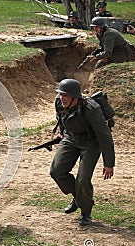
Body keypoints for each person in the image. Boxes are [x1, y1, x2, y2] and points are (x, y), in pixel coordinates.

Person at [50, 79, 115, 226]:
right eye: (61, 94)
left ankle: (86, 213)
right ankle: (78, 197)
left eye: (66, 95)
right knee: (56, 171)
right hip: (70, 138)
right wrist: (61, 134)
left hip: (91, 143)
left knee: (83, 180)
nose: (62, 98)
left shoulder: (91, 109)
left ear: (75, 97)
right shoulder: (59, 102)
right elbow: (61, 119)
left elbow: (105, 136)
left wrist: (109, 163)